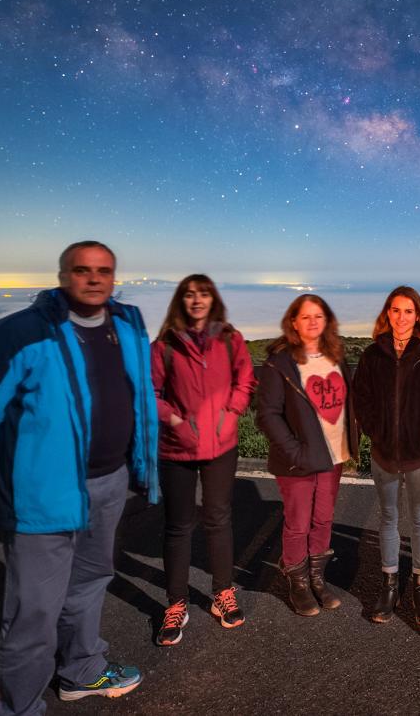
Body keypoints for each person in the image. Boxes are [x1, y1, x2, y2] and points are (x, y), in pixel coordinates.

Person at [0, 241, 159, 715]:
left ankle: (82, 670)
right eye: (81, 270)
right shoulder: (19, 332)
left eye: (103, 270)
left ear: (114, 275)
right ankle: (17, 708)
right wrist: (19, 466)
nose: (93, 279)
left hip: (110, 481)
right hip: (43, 496)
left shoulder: (127, 324)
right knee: (33, 612)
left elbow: (138, 393)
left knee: (90, 580)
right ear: (63, 275)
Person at [150, 274, 256, 646]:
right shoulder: (165, 345)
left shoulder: (230, 340)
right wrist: (175, 421)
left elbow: (245, 380)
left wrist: (231, 414)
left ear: (213, 300)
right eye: (190, 294)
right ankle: (176, 603)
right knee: (178, 526)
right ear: (181, 300)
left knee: (218, 518)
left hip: (220, 446)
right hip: (176, 448)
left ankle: (222, 594)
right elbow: (151, 392)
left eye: (204, 294)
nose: (197, 300)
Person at [352, 286, 420, 625]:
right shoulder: (372, 355)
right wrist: (375, 432)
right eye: (395, 310)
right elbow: (361, 398)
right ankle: (390, 585)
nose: (401, 317)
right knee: (388, 518)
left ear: (418, 315)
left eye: (408, 311)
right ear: (387, 314)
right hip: (383, 454)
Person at [255, 293, 359, 617]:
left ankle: (317, 578)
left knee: (323, 518)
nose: (313, 321)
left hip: (334, 454)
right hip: (297, 460)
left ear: (327, 321)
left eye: (319, 315)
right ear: (293, 322)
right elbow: (267, 414)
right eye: (306, 316)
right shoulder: (280, 362)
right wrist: (295, 452)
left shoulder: (336, 357)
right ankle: (297, 583)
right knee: (298, 523)